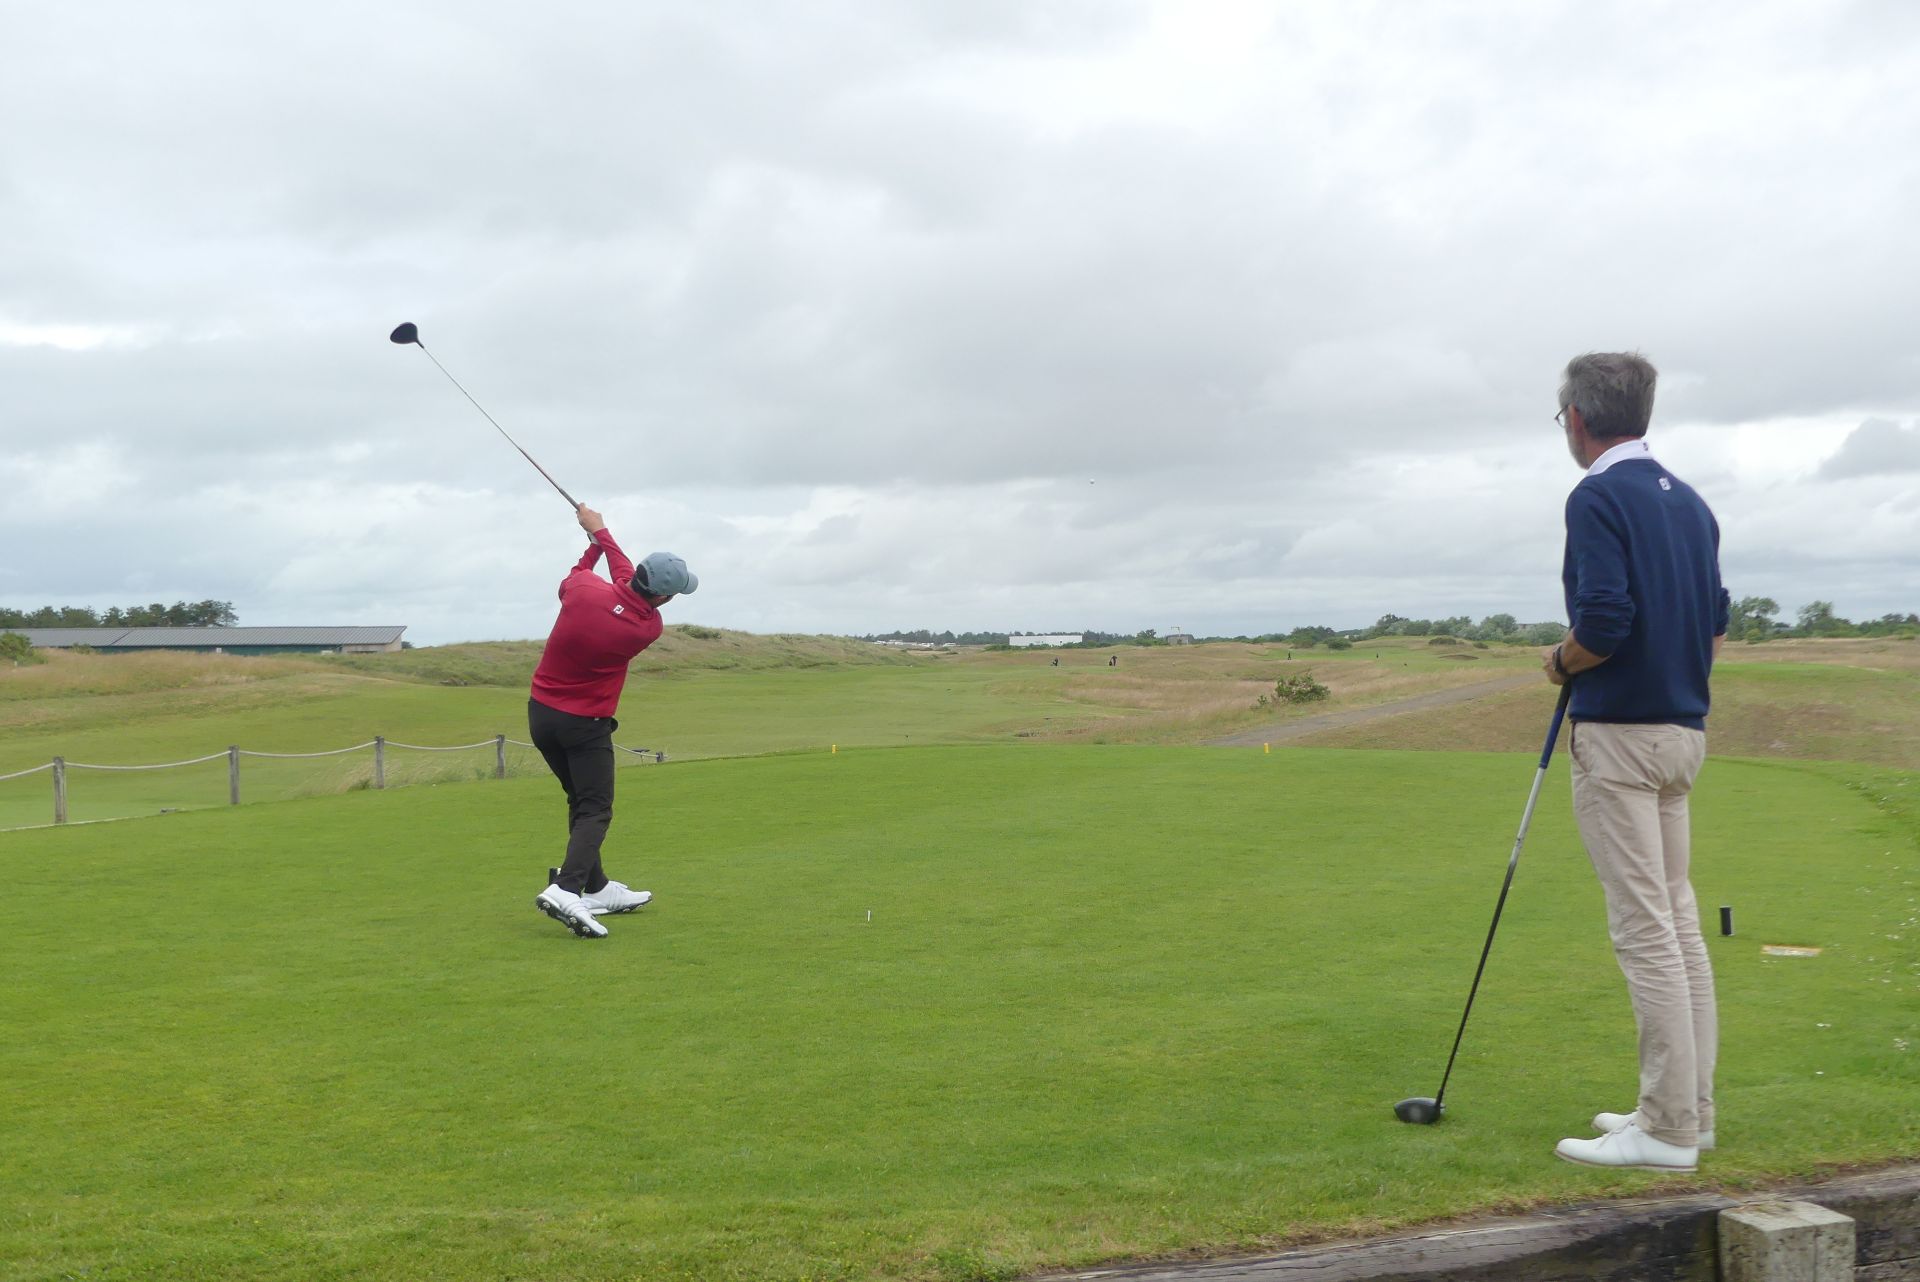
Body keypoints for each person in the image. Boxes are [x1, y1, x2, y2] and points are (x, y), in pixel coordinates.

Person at [1543, 352, 1729, 1171]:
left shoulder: (1597, 496)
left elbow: (1604, 622)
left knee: (1646, 928)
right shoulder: (1688, 501)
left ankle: (1666, 1129)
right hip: (1683, 733)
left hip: (1620, 737)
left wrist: (1559, 662)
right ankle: (1691, 1110)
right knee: (1677, 920)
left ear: (1580, 419)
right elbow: (1714, 626)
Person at [530, 503, 697, 939]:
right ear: (663, 597)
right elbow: (627, 587)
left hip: (541, 715)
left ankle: (597, 887)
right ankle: (566, 889)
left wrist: (596, 540)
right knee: (596, 808)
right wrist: (601, 535)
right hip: (584, 725)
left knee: (580, 800)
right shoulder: (646, 627)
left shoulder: (581, 589)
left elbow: (599, 575)